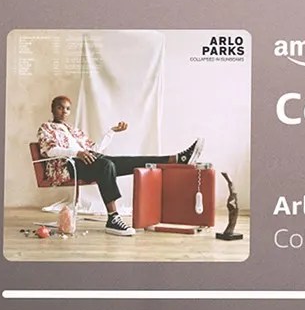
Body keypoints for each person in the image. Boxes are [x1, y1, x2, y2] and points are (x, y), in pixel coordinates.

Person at [33, 95, 199, 235]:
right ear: (53, 108)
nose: (64, 112)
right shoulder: (46, 128)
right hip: (68, 166)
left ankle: (177, 158)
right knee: (106, 165)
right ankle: (113, 218)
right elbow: (50, 150)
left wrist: (111, 132)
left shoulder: (73, 130)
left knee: (129, 161)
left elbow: (93, 149)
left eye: (67, 109)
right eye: (60, 108)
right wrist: (77, 153)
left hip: (87, 161)